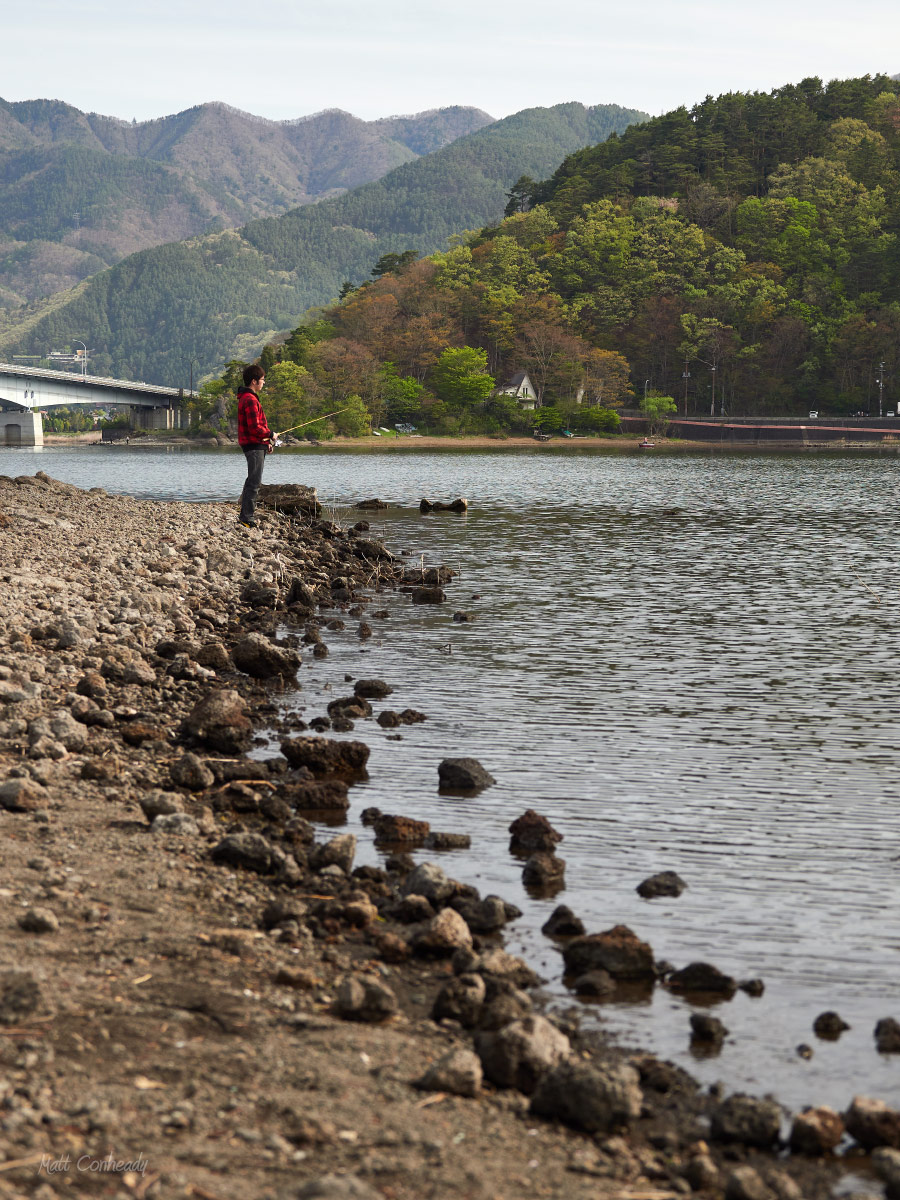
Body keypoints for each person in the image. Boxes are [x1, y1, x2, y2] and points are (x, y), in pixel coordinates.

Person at [236, 363, 274, 527]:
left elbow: (256, 428)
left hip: (255, 444)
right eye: (262, 380)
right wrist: (271, 434)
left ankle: (245, 515)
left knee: (252, 480)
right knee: (254, 482)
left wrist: (267, 442)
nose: (263, 383)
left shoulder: (247, 398)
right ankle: (247, 518)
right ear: (254, 381)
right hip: (253, 445)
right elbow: (255, 428)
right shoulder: (250, 400)